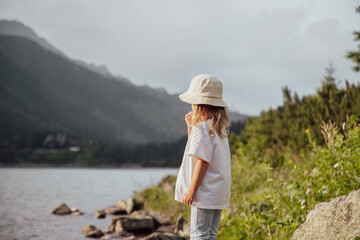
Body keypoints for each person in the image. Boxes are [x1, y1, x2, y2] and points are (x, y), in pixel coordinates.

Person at [175, 74, 231, 240]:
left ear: (199, 105)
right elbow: (198, 148)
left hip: (204, 192)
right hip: (218, 191)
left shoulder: (202, 128)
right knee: (211, 234)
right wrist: (190, 128)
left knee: (199, 235)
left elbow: (203, 160)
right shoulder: (219, 129)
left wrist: (192, 190)